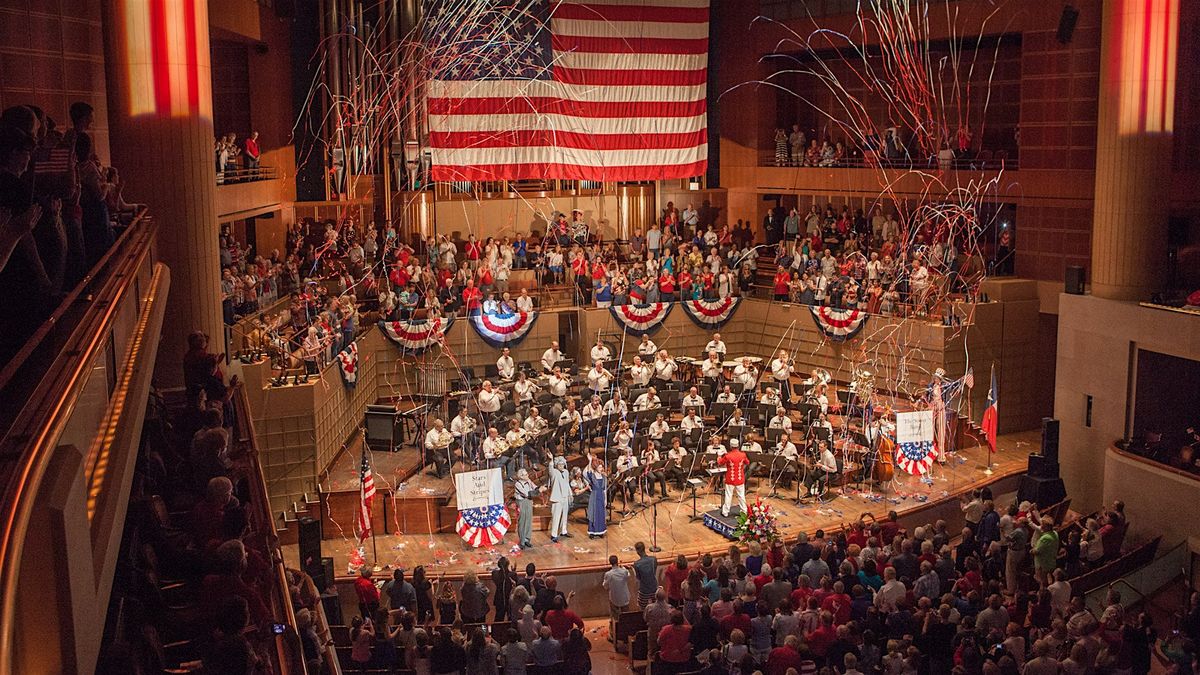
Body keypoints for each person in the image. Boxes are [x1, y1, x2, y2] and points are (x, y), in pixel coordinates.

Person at [718, 439, 749, 517]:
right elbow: (747, 462)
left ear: (731, 446)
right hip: (740, 478)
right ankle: (744, 511)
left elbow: (720, 463)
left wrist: (718, 456)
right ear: (738, 446)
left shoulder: (728, 456)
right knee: (741, 495)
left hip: (730, 479)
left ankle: (725, 512)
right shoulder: (743, 455)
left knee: (728, 495)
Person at [603, 555, 631, 638]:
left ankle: (613, 634)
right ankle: (626, 633)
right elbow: (628, 575)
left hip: (614, 599)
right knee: (625, 616)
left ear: (610, 563)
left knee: (614, 617)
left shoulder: (608, 574)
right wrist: (624, 568)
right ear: (617, 561)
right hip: (625, 598)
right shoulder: (624, 572)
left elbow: (605, 586)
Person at [546, 456, 571, 542]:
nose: (562, 466)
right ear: (556, 465)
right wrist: (551, 460)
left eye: (563, 464)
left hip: (565, 496)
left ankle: (564, 531)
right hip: (557, 498)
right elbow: (550, 468)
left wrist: (570, 494)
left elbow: (567, 484)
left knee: (564, 516)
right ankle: (554, 534)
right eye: (560, 464)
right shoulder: (554, 472)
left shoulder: (566, 472)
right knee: (556, 517)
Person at [513, 469, 540, 549]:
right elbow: (526, 494)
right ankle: (522, 541)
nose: (527, 475)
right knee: (522, 521)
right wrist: (538, 491)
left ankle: (527, 539)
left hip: (529, 501)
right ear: (521, 476)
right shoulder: (518, 484)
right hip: (522, 502)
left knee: (528, 520)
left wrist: (539, 489)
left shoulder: (529, 481)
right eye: (525, 474)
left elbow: (535, 487)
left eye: (527, 474)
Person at [584, 455, 608, 538]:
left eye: (602, 467)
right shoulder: (593, 475)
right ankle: (592, 532)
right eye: (599, 467)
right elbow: (587, 472)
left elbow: (604, 489)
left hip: (601, 496)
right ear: (596, 467)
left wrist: (605, 500)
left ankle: (600, 531)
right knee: (594, 513)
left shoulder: (604, 477)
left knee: (601, 514)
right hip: (594, 497)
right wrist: (590, 461)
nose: (601, 468)